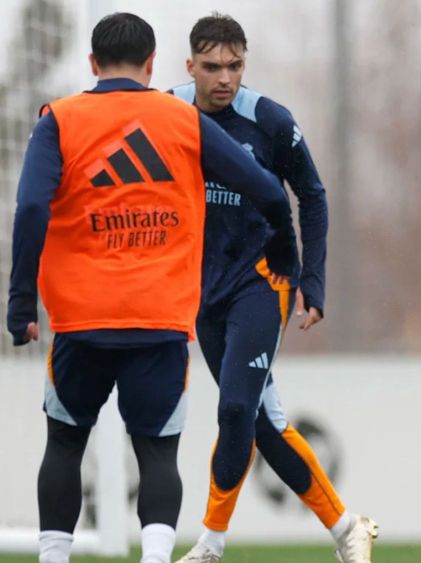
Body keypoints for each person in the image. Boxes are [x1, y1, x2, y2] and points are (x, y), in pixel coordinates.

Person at [5, 13, 297, 563]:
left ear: (93, 65)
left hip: (80, 323)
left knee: (66, 442)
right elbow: (267, 189)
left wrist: (21, 300)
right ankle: (158, 558)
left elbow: (31, 209)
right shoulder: (181, 119)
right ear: (150, 64)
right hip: (159, 322)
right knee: (158, 454)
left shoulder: (59, 120)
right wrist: (283, 245)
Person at [169, 14, 376, 563]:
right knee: (261, 422)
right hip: (203, 292)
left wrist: (313, 279)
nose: (225, 78)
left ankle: (210, 544)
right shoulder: (167, 113)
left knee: (236, 410)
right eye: (211, 67)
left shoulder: (270, 121)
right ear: (190, 67)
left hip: (264, 284)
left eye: (235, 66)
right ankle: (347, 527)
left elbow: (312, 195)